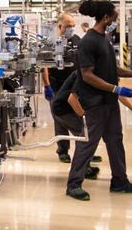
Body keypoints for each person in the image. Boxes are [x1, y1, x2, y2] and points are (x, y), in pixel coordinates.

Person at [66, 0, 132, 201]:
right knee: (88, 144)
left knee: (115, 141)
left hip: (108, 102)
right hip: (94, 103)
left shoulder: (104, 39)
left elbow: (112, 68)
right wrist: (115, 87)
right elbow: (87, 75)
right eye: (114, 16)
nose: (116, 19)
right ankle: (73, 184)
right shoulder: (88, 41)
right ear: (106, 17)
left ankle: (119, 181)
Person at [52, 71, 132, 180]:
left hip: (72, 108)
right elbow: (72, 99)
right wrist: (85, 117)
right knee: (86, 137)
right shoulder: (86, 75)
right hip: (64, 110)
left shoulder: (103, 74)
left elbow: (116, 93)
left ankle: (85, 166)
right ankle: (82, 172)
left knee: (88, 137)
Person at [43, 12, 101, 163]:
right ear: (60, 26)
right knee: (60, 119)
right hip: (57, 86)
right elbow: (44, 67)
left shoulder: (77, 40)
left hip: (74, 86)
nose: (71, 29)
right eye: (69, 26)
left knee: (80, 118)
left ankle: (85, 149)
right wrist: (47, 86)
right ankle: (63, 151)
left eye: (73, 26)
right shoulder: (50, 42)